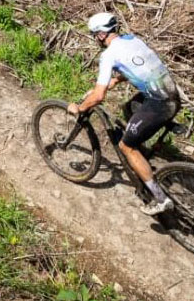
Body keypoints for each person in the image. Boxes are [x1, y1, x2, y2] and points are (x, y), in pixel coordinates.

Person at [68, 12, 180, 215]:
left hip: (159, 105)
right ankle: (141, 148)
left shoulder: (108, 54)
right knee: (129, 108)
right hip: (173, 96)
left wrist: (80, 107)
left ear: (102, 35)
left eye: (95, 35)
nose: (95, 39)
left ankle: (160, 198)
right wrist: (116, 80)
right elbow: (141, 64)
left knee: (125, 146)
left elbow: (98, 96)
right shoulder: (133, 40)